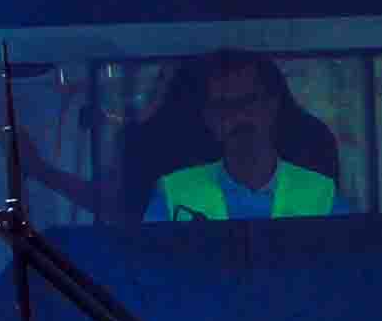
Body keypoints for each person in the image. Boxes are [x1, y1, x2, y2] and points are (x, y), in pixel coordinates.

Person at [143, 52, 341, 221]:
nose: (238, 116)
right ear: (209, 118)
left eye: (248, 102)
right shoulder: (173, 194)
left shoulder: (322, 194)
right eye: (223, 106)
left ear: (272, 107)